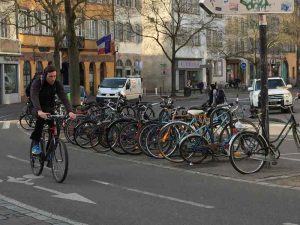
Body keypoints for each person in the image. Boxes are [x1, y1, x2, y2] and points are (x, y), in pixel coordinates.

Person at [30, 65, 76, 155]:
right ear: (45, 75)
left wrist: (70, 111)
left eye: (54, 76)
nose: (53, 79)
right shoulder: (38, 82)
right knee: (40, 121)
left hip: (49, 108)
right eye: (50, 76)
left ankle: (49, 151)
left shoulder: (57, 84)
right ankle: (35, 144)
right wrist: (39, 111)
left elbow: (64, 97)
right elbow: (34, 96)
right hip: (36, 107)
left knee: (56, 128)